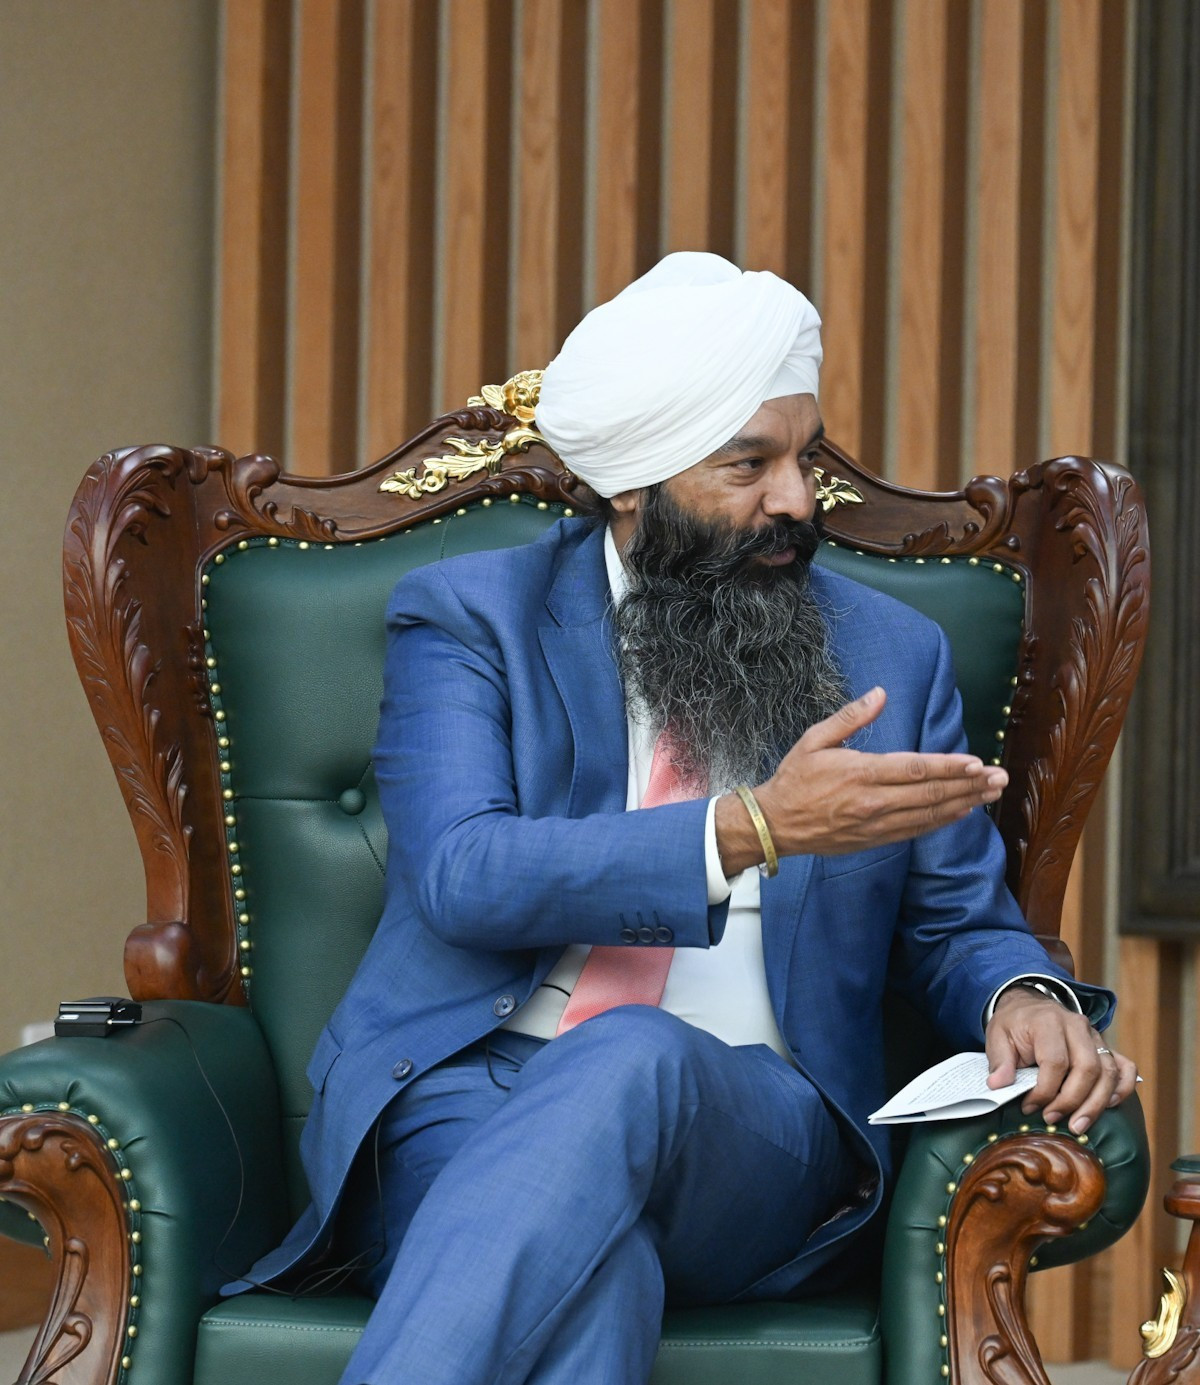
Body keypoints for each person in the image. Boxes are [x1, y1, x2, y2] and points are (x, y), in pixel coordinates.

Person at [232, 252, 1136, 1384]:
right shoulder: (472, 617)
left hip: (754, 1126)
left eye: (801, 456)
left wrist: (1025, 993)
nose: (799, 501)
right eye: (748, 464)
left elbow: (958, 922)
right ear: (632, 482)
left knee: (631, 1058)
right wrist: (746, 828)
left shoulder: (891, 657)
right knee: (597, 1277)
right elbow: (462, 870)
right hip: (466, 1097)